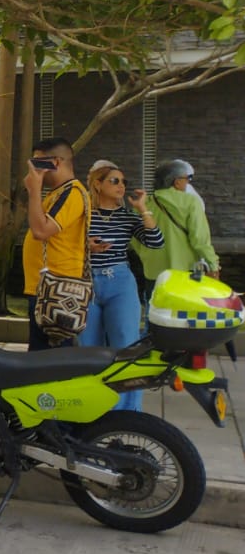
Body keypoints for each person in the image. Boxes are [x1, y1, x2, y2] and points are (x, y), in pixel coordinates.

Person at [82, 161, 164, 411]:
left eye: (124, 182)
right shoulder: (82, 215)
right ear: (98, 183)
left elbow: (156, 241)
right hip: (86, 283)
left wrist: (142, 209)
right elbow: (61, 243)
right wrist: (86, 245)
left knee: (126, 346)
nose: (121, 186)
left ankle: (129, 412)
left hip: (119, 282)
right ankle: (96, 408)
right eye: (114, 181)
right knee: (89, 350)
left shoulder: (127, 217)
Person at [22, 137, 88, 352]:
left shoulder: (72, 192)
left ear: (56, 162)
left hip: (56, 291)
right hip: (46, 288)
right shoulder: (58, 193)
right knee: (41, 357)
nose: (34, 169)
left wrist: (33, 190)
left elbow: (40, 230)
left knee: (48, 360)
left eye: (39, 163)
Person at [133, 159, 220, 288]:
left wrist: (146, 255)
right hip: (186, 271)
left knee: (156, 307)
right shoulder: (190, 201)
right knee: (185, 307)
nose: (188, 182)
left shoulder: (142, 204)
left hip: (153, 272)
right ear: (177, 182)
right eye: (187, 179)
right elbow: (200, 239)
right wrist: (213, 264)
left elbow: (135, 239)